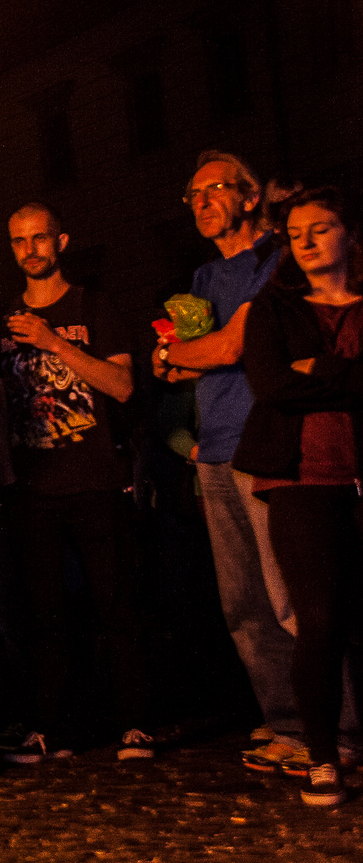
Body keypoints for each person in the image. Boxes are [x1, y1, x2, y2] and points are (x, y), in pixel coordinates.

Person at [153, 151, 304, 774]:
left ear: (248, 196)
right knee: (242, 605)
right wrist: (183, 355)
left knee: (291, 596)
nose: (201, 203)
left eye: (213, 189)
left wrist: (185, 353)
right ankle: (288, 724)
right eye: (192, 195)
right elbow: (167, 364)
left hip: (264, 445)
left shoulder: (277, 262)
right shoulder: (203, 279)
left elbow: (232, 343)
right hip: (213, 451)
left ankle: (341, 730)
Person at [0, 203, 154, 761]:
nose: (29, 249)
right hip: (35, 486)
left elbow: (124, 386)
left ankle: (134, 723)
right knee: (43, 612)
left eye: (39, 238)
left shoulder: (93, 305)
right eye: (19, 241)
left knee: (115, 604)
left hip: (94, 478)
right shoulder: (6, 317)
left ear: (61, 241)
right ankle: (53, 727)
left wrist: (53, 341)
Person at [235, 187, 363, 806]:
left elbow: (305, 378)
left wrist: (321, 369)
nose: (306, 240)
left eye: (320, 227)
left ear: (348, 232)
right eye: (294, 231)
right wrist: (343, 373)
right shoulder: (271, 311)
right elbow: (274, 386)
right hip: (301, 481)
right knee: (319, 619)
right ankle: (321, 756)